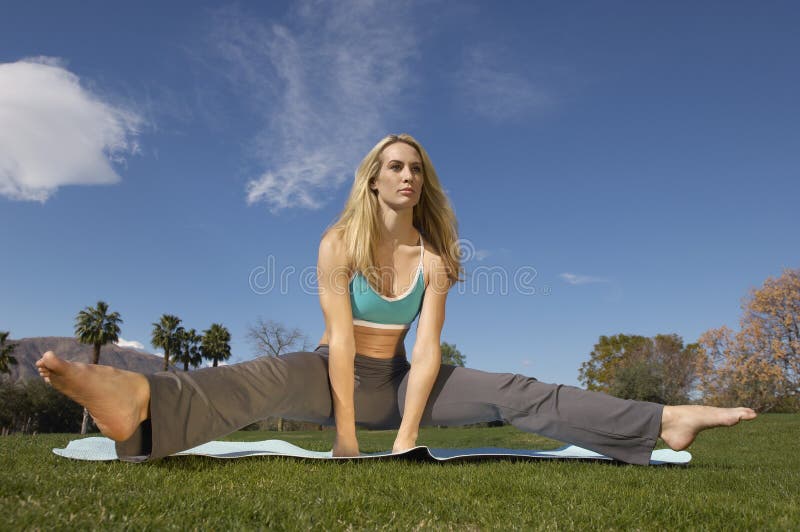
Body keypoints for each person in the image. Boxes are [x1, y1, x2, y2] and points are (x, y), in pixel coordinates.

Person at [36, 133, 756, 465]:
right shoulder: (336, 245)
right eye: (394, 167)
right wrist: (348, 439)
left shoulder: (435, 260)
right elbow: (342, 344)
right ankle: (138, 400)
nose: (407, 176)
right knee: (261, 379)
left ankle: (662, 421)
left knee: (519, 389)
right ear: (373, 180)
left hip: (404, 383)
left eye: (416, 168)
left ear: (422, 181)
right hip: (333, 373)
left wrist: (407, 435)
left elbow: (430, 349)